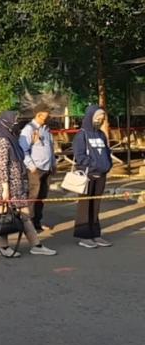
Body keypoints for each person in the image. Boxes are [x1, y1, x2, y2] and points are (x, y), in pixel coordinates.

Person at [0, 111, 57, 257]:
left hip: (16, 184)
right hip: (3, 186)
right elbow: (0, 166)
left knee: (25, 216)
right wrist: (5, 189)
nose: (16, 123)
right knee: (4, 218)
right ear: (4, 122)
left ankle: (36, 245)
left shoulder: (11, 138)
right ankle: (3, 247)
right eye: (13, 120)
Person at [71, 105, 113, 249]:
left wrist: (107, 165)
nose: (100, 121)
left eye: (102, 119)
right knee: (85, 206)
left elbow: (107, 151)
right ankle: (84, 236)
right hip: (88, 176)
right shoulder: (81, 135)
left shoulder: (101, 134)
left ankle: (95, 234)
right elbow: (80, 156)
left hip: (101, 175)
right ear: (90, 118)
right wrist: (93, 165)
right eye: (97, 118)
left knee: (95, 206)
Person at [19, 104, 56, 232]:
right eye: (48, 112)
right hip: (35, 169)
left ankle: (37, 223)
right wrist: (31, 165)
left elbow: (50, 148)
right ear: (39, 114)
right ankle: (27, 224)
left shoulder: (46, 129)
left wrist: (53, 164)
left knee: (41, 197)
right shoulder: (29, 129)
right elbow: (23, 149)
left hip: (47, 168)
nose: (50, 115)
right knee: (32, 197)